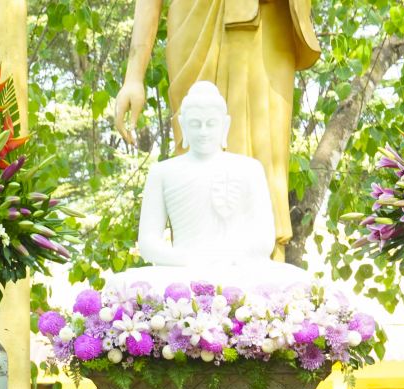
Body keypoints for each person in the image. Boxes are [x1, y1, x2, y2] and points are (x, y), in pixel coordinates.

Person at [113, 0, 318, 251]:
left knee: (264, 172)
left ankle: (262, 267)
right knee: (193, 173)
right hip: (192, 24)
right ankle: (196, 270)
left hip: (262, 22)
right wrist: (134, 76)